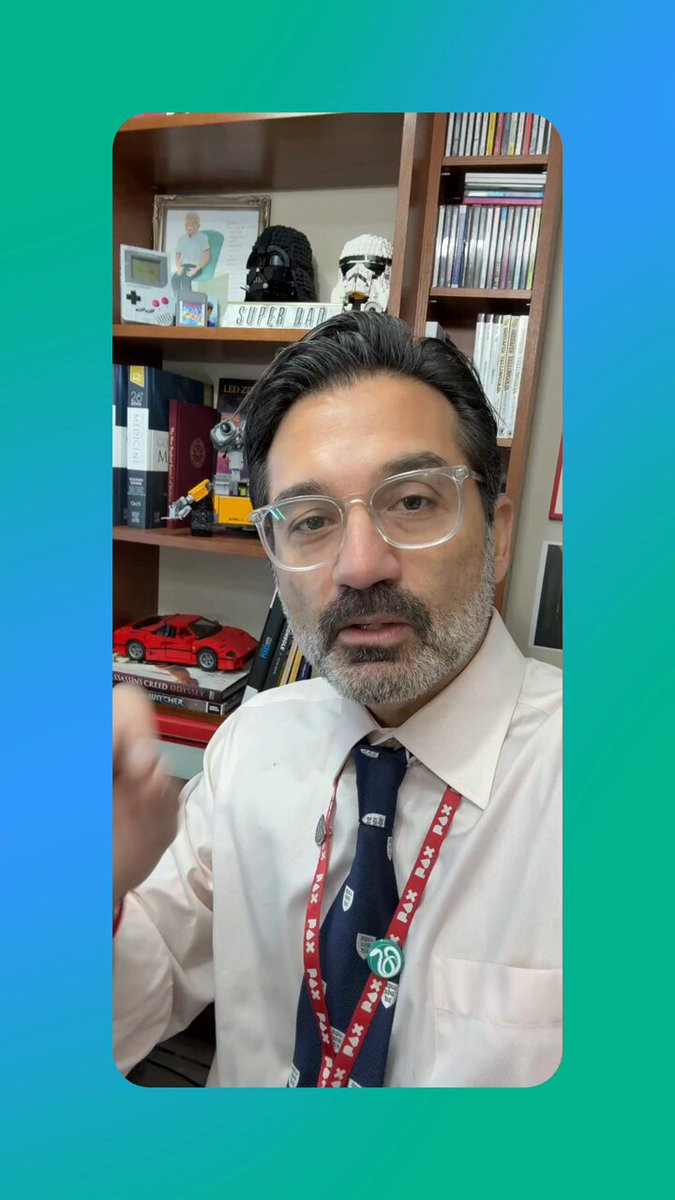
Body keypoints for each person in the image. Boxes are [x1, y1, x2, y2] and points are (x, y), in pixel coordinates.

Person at [113, 311, 562, 1088]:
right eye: (312, 520)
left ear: (495, 533)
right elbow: (125, 1002)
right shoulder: (249, 746)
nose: (358, 565)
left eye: (411, 502)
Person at [171, 212, 210, 296]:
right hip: (183, 267)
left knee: (185, 280)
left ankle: (188, 301)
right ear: (185, 225)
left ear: (198, 226)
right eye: (188, 223)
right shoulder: (181, 239)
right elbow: (177, 256)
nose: (190, 226)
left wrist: (196, 269)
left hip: (195, 267)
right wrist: (178, 268)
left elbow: (207, 256)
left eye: (193, 223)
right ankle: (177, 299)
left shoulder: (203, 237)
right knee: (174, 280)